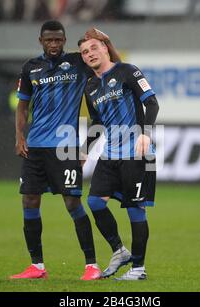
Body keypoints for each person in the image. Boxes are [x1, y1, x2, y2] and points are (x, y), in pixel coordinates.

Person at [11, 20, 120, 280]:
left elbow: (110, 62)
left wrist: (106, 40)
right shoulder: (30, 68)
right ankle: (37, 266)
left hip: (65, 147)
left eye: (58, 40)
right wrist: (19, 136)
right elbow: (22, 106)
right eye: (49, 40)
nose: (54, 44)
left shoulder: (78, 62)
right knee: (29, 200)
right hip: (35, 147)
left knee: (72, 202)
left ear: (64, 40)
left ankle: (91, 265)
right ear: (41, 41)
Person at [79, 37, 159, 280]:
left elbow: (152, 104)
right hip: (110, 154)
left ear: (105, 48)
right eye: (84, 52)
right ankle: (120, 251)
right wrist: (83, 152)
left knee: (135, 210)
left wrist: (145, 134)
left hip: (137, 153)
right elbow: (98, 123)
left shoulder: (128, 71)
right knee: (94, 202)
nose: (89, 53)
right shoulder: (90, 86)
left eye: (94, 47)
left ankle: (138, 269)